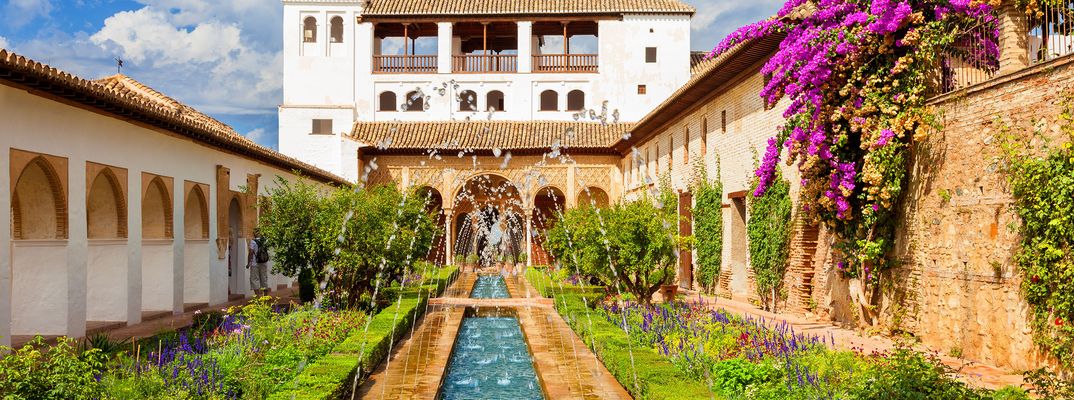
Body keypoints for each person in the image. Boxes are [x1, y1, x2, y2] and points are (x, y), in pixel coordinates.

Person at [248, 231, 270, 296]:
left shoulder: (253, 241)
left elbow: (251, 252)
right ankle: (265, 297)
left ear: (254, 234)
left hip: (255, 263)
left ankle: (258, 297)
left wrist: (248, 263)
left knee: (255, 279)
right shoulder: (265, 241)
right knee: (264, 278)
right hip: (263, 262)